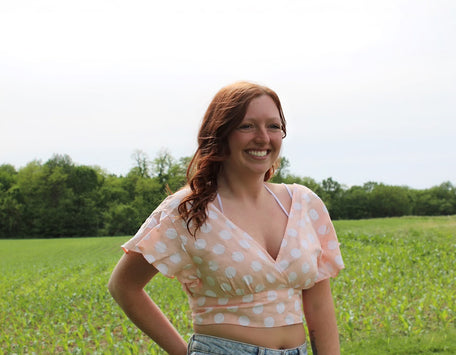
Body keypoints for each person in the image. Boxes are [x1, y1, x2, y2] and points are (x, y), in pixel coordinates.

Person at [108, 81, 344, 355]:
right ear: (221, 134)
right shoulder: (187, 210)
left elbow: (318, 305)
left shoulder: (304, 204)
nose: (263, 137)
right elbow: (124, 285)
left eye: (274, 126)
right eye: (247, 126)